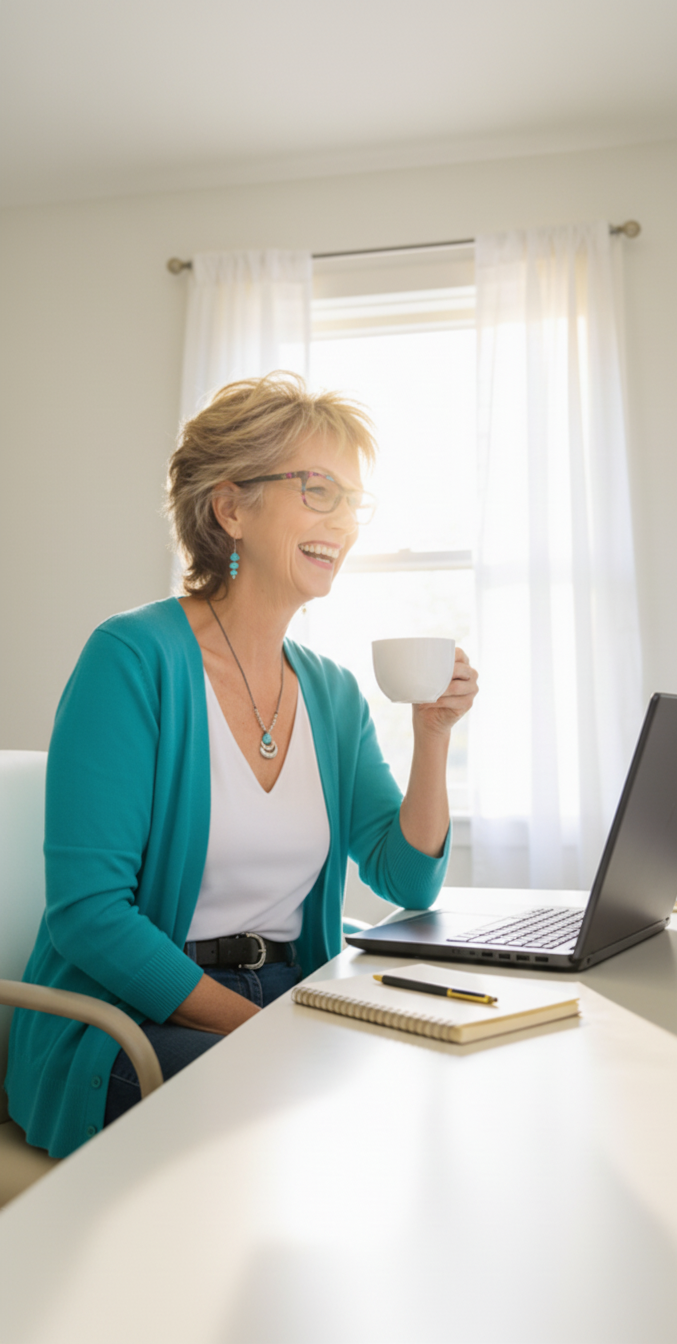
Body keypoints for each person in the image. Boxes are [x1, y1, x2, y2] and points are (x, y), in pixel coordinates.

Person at [5, 373, 478, 1159]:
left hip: (284, 993)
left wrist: (433, 735)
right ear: (230, 508)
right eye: (319, 490)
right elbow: (89, 915)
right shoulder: (132, 660)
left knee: (441, 1081)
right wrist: (263, 1033)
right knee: (320, 1128)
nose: (344, 523)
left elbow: (408, 879)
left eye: (354, 502)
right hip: (129, 1023)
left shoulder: (329, 692)